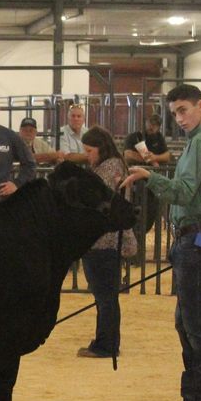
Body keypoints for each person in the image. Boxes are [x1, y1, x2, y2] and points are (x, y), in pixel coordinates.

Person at [121, 83, 201, 401]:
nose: (179, 118)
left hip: (196, 239)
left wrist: (149, 176)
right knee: (188, 324)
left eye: (183, 110)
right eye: (174, 113)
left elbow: (184, 191)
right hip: (197, 237)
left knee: (197, 326)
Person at [78, 127, 129, 359]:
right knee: (104, 295)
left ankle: (106, 345)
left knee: (105, 295)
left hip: (103, 241)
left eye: (89, 150)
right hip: (100, 239)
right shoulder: (109, 166)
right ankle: (103, 340)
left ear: (100, 148)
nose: (87, 155)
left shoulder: (109, 169)